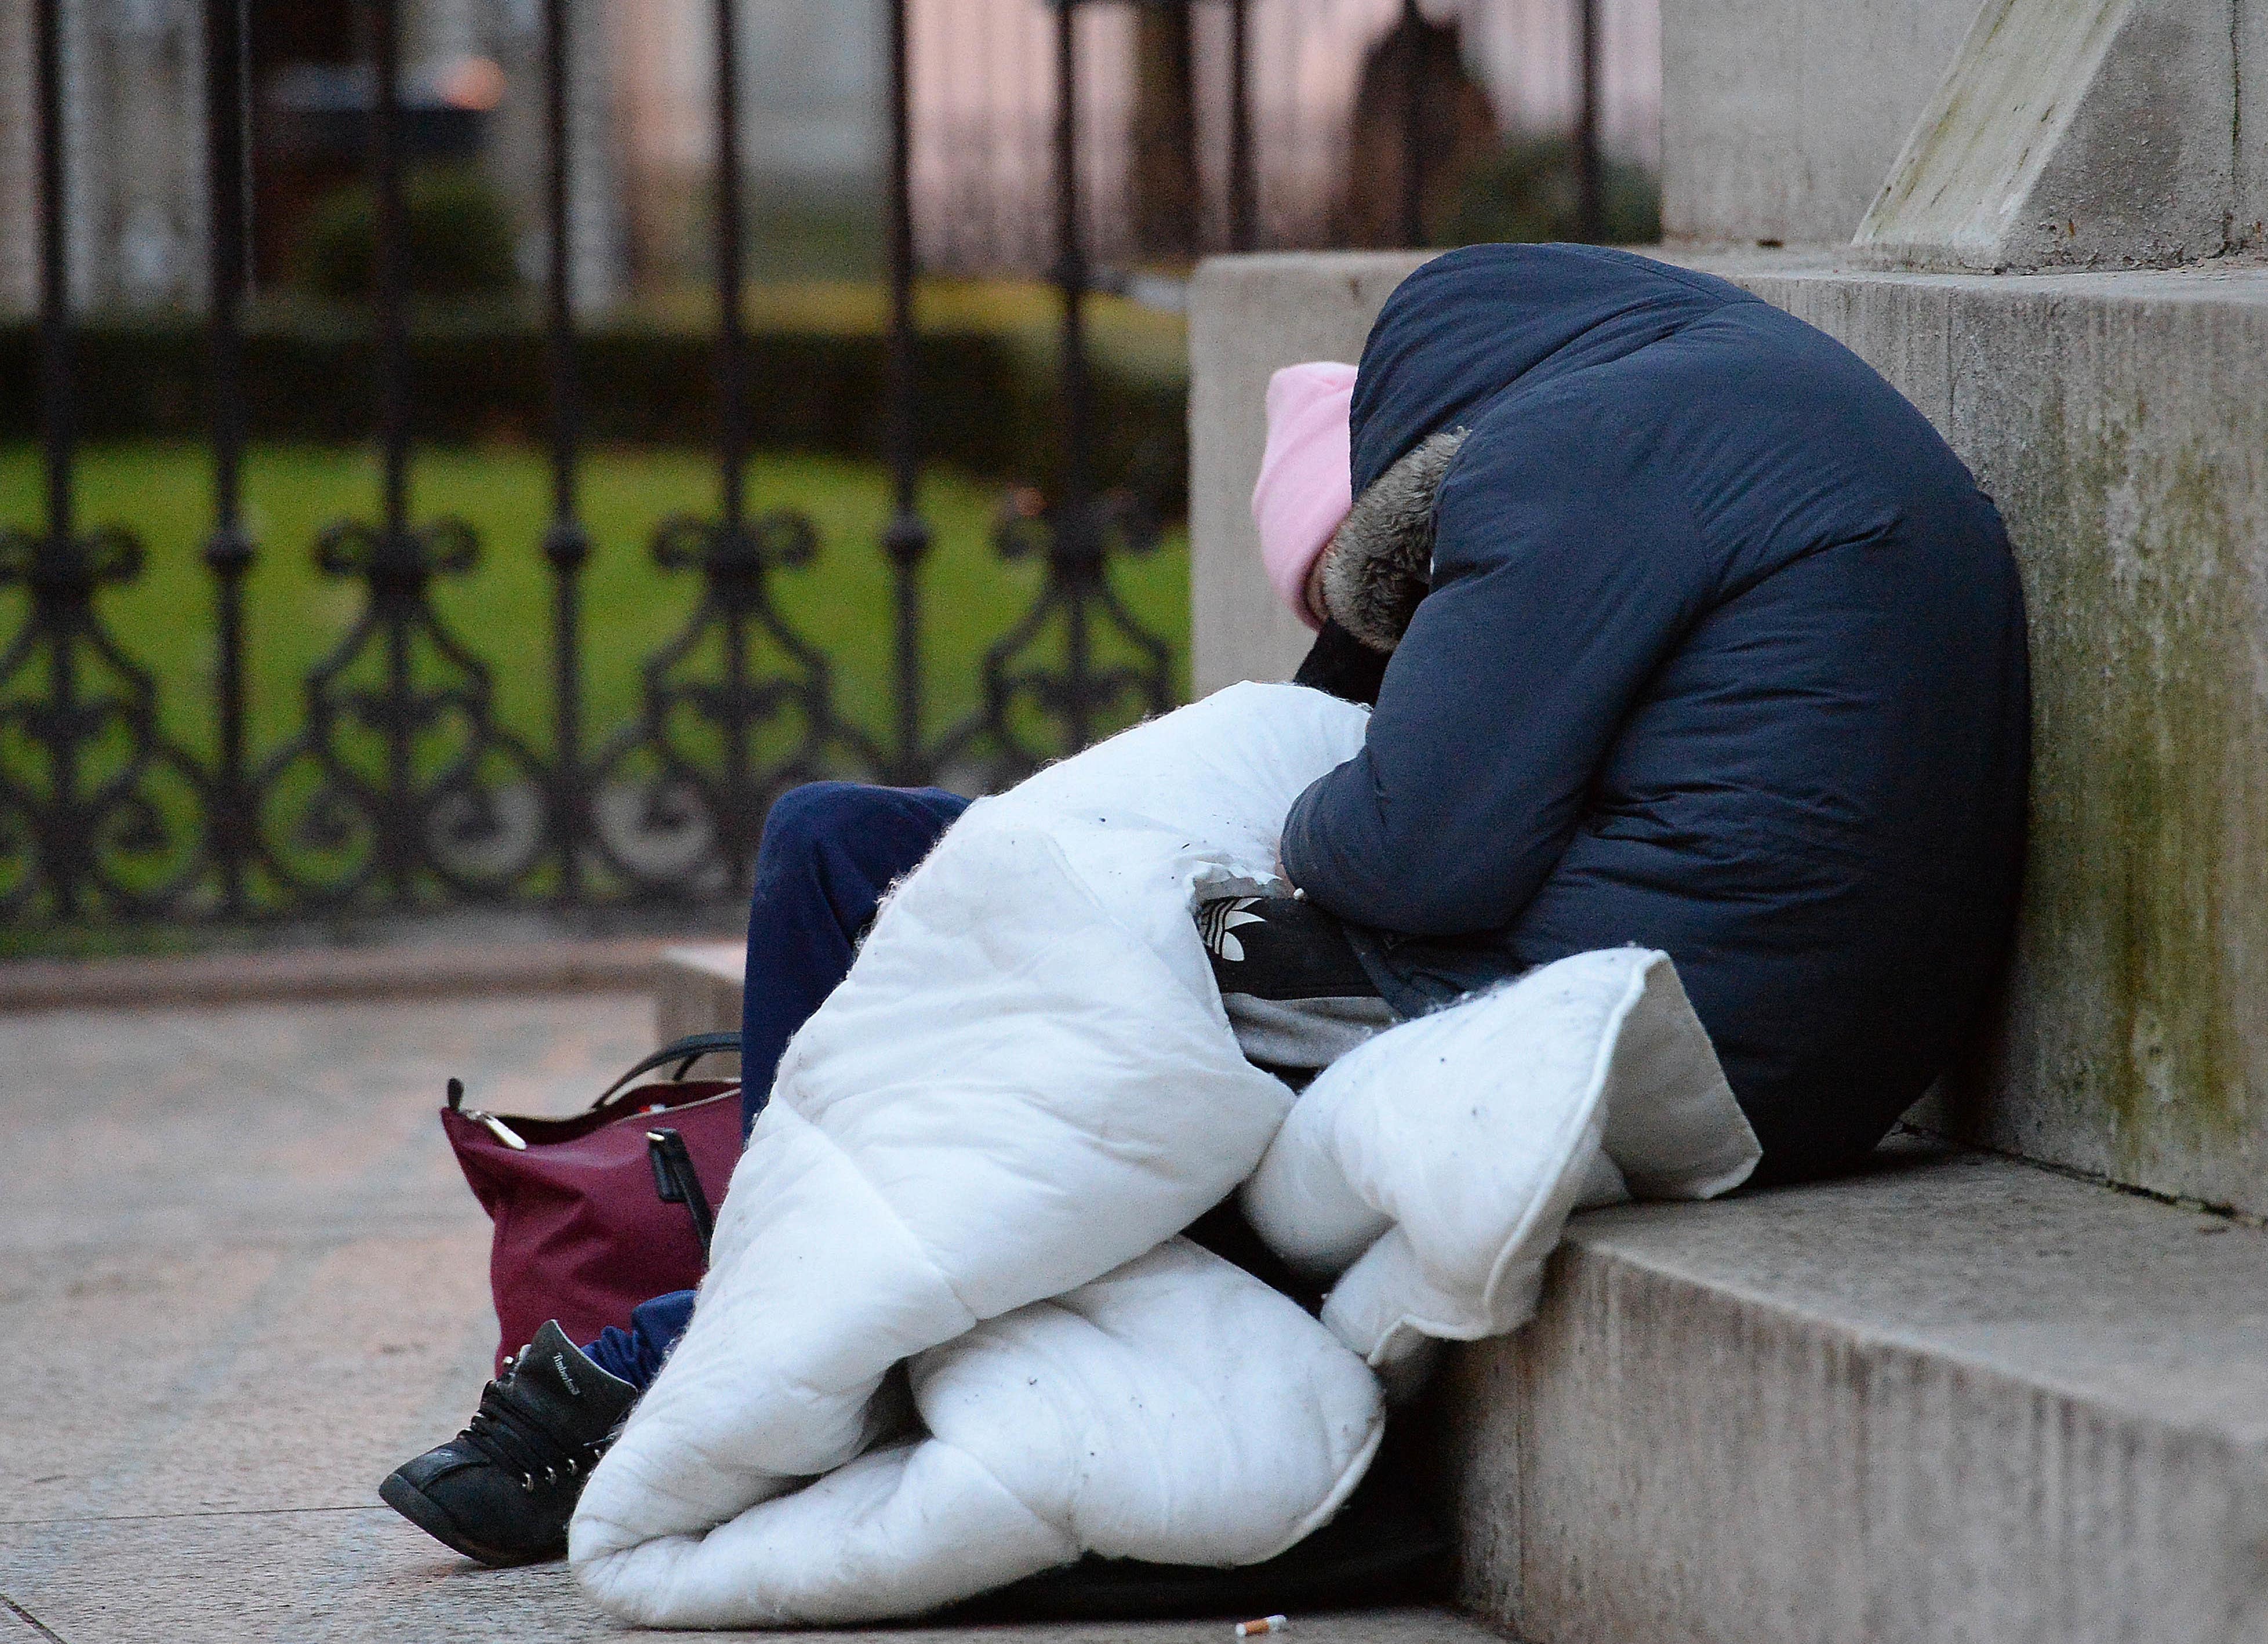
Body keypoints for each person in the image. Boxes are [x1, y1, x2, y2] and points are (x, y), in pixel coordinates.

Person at [381, 242, 2028, 1570]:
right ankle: (780, 1278)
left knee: (1070, 1014)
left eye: (1388, 598)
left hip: (1653, 1015)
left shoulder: (1578, 453)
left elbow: (1407, 853)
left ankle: (683, 1355)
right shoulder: (1708, 412)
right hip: (1751, 1011)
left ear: (1413, 482)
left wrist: (1270, 811)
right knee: (842, 842)